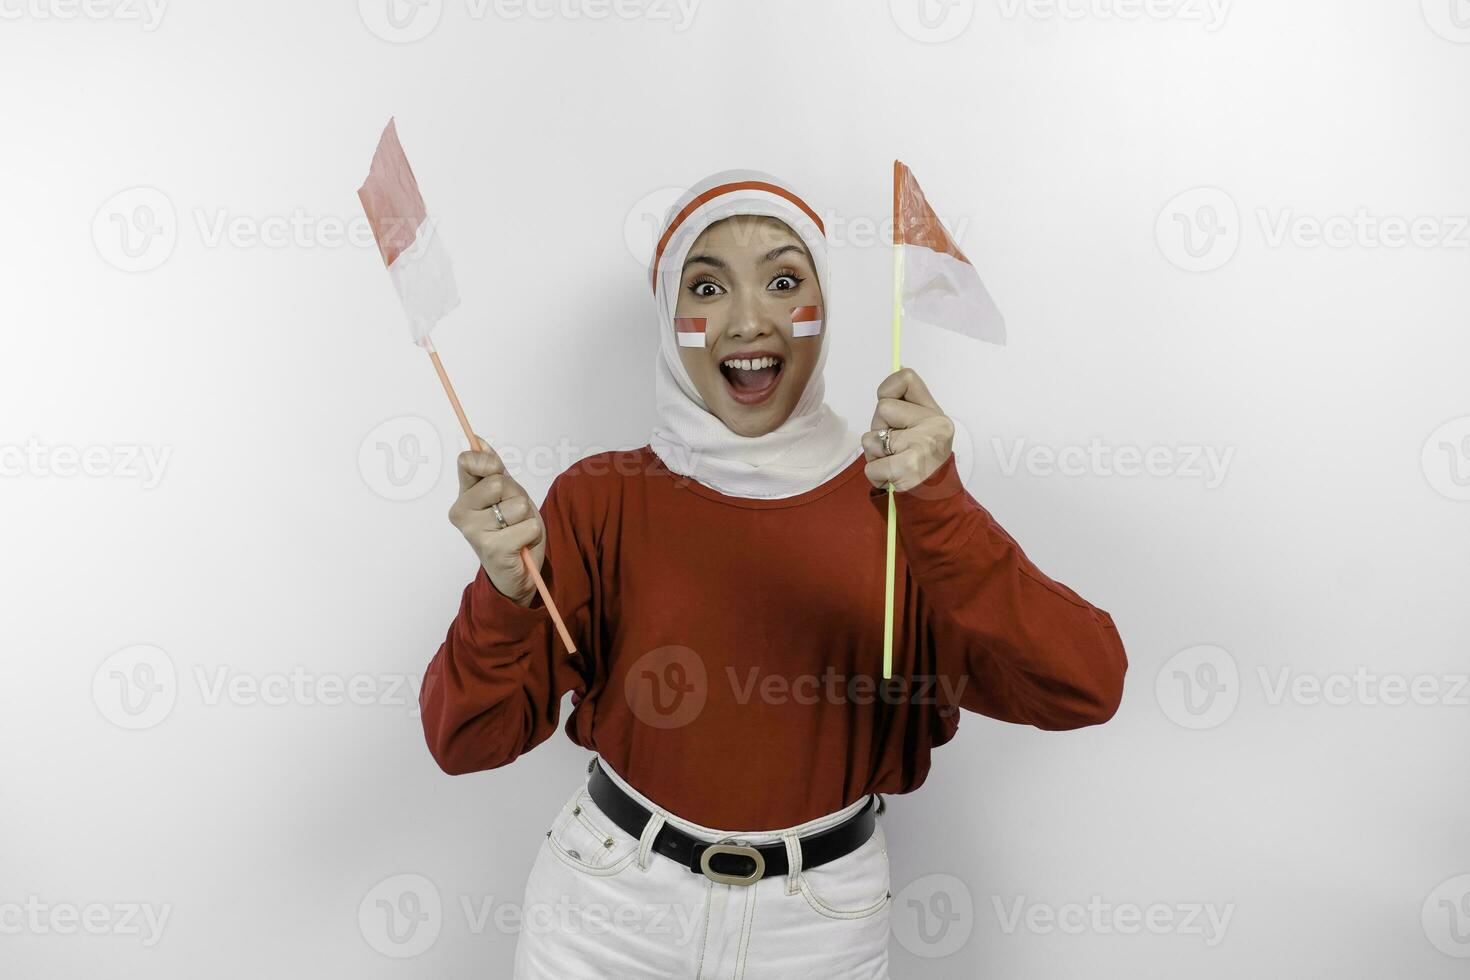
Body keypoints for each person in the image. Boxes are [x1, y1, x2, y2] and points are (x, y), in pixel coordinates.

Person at [417, 169, 1128, 978]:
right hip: (609, 916)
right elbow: (464, 739)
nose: (749, 320)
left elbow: (1086, 685)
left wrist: (944, 511)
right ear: (666, 316)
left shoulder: (906, 507)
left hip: (820, 927)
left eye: (785, 281)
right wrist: (506, 596)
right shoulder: (600, 499)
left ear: (826, 309)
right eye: (708, 286)